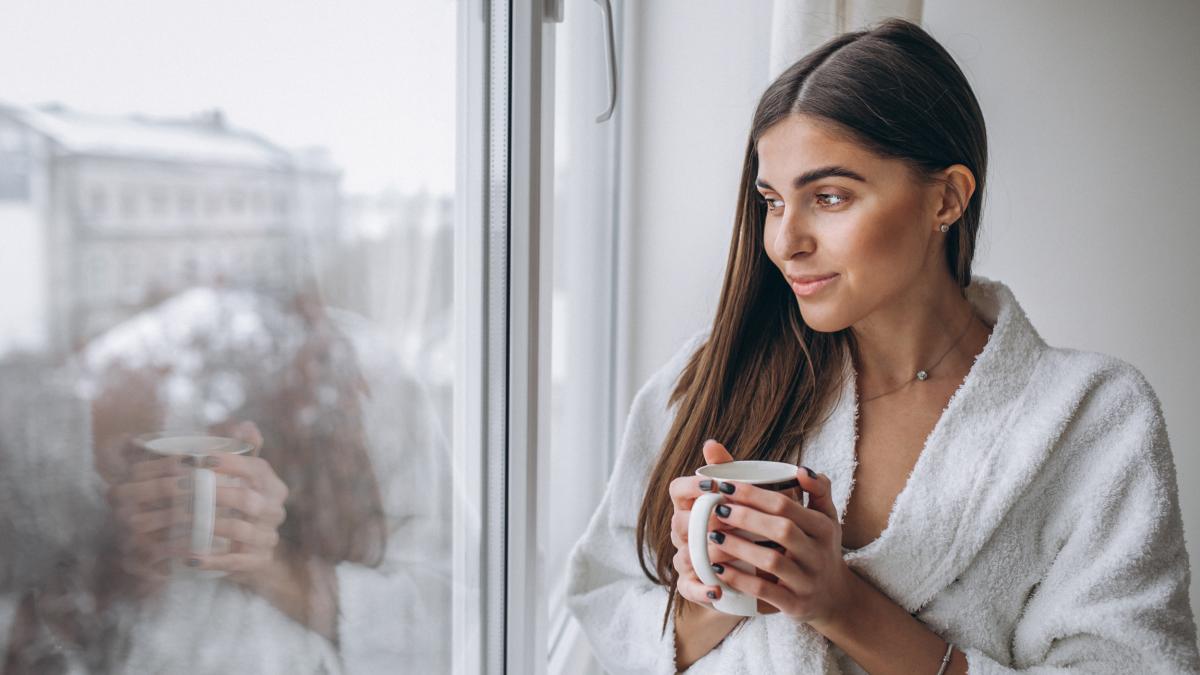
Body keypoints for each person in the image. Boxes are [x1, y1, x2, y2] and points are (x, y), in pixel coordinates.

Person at [565, 17, 1200, 675]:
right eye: (773, 202)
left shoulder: (1092, 420)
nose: (785, 241)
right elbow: (610, 604)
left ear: (946, 199)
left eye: (830, 197)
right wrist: (723, 587)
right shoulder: (716, 375)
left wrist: (841, 605)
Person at [0, 285, 453, 674]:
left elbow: (455, 626)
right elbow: (28, 639)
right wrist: (122, 564)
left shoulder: (361, 379)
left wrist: (271, 570)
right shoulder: (94, 388)